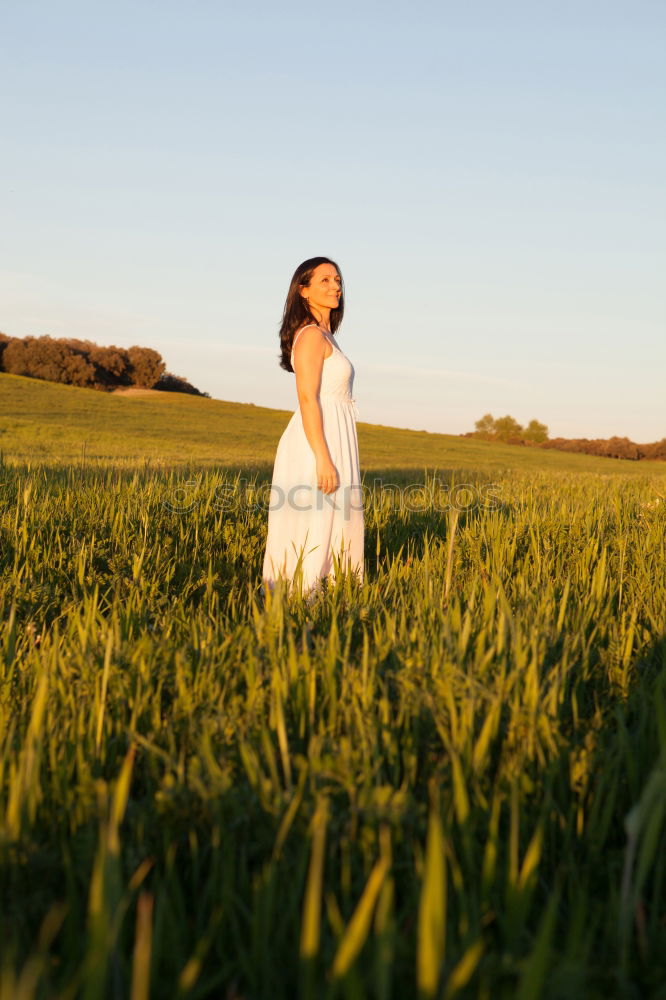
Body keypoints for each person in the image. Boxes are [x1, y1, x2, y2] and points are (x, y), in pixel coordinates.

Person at [262, 256, 364, 598]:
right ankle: (299, 598)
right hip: (316, 440)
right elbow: (307, 398)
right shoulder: (309, 336)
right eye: (324, 280)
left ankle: (333, 593)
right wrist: (322, 457)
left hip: (335, 433)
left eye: (337, 279)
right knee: (316, 518)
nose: (335, 285)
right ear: (303, 290)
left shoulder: (327, 336)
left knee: (338, 518)